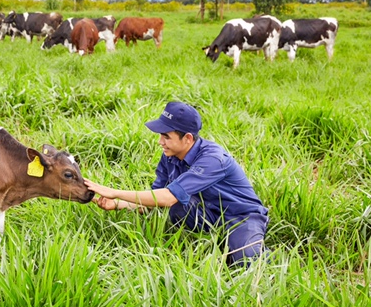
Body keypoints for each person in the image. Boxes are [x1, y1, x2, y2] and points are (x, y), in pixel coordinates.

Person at [84, 101, 269, 266]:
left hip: (240, 217)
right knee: (177, 205)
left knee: (247, 261)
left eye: (166, 136)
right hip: (208, 214)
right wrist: (116, 204)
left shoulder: (212, 158)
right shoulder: (170, 155)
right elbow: (155, 200)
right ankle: (209, 244)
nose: (160, 142)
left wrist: (114, 192)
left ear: (187, 138)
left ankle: (255, 252)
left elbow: (166, 197)